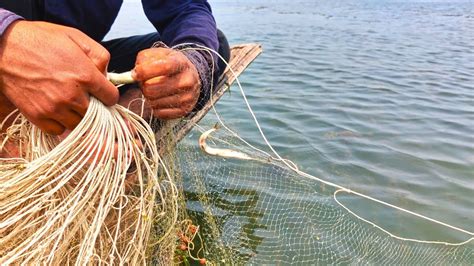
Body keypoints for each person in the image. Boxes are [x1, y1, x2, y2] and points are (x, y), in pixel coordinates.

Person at [0, 1, 230, 136]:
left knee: (212, 47)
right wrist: (7, 37)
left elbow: (185, 9)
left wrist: (192, 62)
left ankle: (117, 128)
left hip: (80, 69)